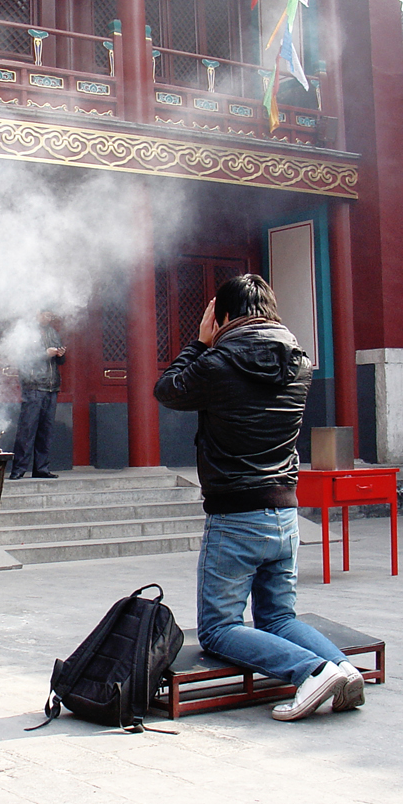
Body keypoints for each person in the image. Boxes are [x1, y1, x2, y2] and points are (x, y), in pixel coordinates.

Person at [153, 274, 364, 721]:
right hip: (286, 513)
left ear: (224, 315)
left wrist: (200, 342)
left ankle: (311, 672)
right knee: (279, 618)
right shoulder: (300, 363)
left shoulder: (215, 364)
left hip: (235, 516)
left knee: (220, 629)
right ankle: (342, 668)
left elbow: (167, 390)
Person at [10, 310, 65, 480]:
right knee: (27, 429)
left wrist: (60, 354)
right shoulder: (26, 332)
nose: (48, 318)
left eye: (50, 315)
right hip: (33, 386)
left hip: (51, 386)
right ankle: (19, 469)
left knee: (46, 431)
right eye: (45, 314)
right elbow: (23, 358)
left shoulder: (52, 332)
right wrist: (45, 354)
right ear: (37, 314)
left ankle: (41, 468)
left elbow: (60, 362)